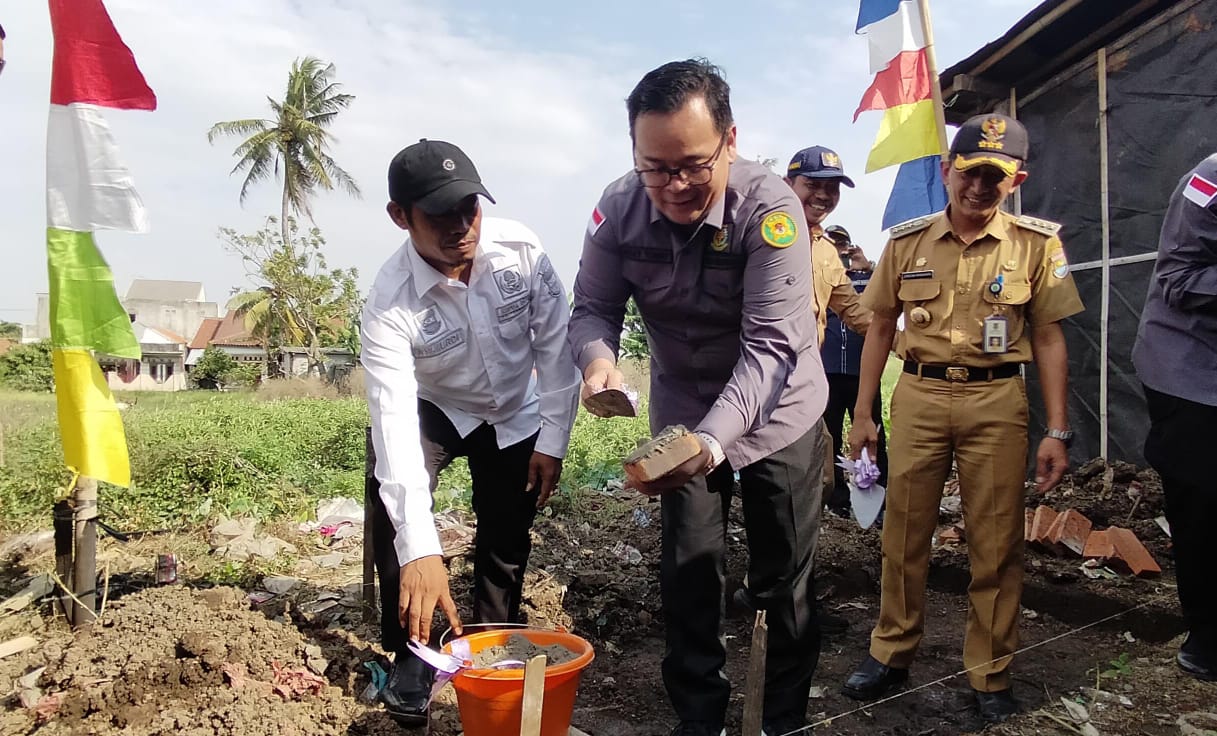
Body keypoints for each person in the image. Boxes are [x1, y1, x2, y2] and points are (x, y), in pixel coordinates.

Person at [568, 58, 829, 736]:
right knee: (688, 575)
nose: (675, 186)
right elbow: (591, 307)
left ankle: (777, 720)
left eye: (692, 165)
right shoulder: (618, 209)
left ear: (730, 142)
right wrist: (597, 365)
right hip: (682, 409)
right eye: (655, 167)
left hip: (779, 413)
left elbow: (771, 345)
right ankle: (700, 720)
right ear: (633, 154)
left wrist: (713, 443)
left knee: (782, 582)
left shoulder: (771, 211)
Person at [841, 114, 1084, 723]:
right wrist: (864, 414)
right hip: (919, 398)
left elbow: (1050, 338)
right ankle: (891, 650)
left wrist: (1056, 430)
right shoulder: (906, 243)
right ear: (947, 170)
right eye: (968, 172)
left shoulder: (1036, 246)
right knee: (904, 534)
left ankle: (991, 671)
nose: (978, 186)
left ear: (1016, 179)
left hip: (997, 403)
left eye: (993, 178)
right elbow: (878, 328)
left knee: (996, 543)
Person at [361, 139, 581, 726]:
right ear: (399, 216)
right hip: (437, 407)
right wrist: (421, 550)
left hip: (514, 407)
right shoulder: (388, 302)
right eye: (440, 216)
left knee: (506, 535)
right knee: (395, 513)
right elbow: (393, 421)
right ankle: (412, 648)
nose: (461, 227)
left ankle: (488, 644)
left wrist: (552, 441)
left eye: (470, 209)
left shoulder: (521, 252)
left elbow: (556, 352)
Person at [1132, 152, 1217, 683]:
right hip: (1193, 371)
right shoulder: (1211, 179)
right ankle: (1207, 637)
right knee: (1205, 503)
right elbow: (1180, 277)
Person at [783, 147, 880, 517]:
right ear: (788, 183)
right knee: (780, 485)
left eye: (832, 188)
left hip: (804, 386)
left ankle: (791, 567)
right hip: (757, 383)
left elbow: (855, 313)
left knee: (819, 478)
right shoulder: (761, 231)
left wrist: (909, 344)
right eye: (812, 184)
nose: (823, 195)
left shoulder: (825, 250)